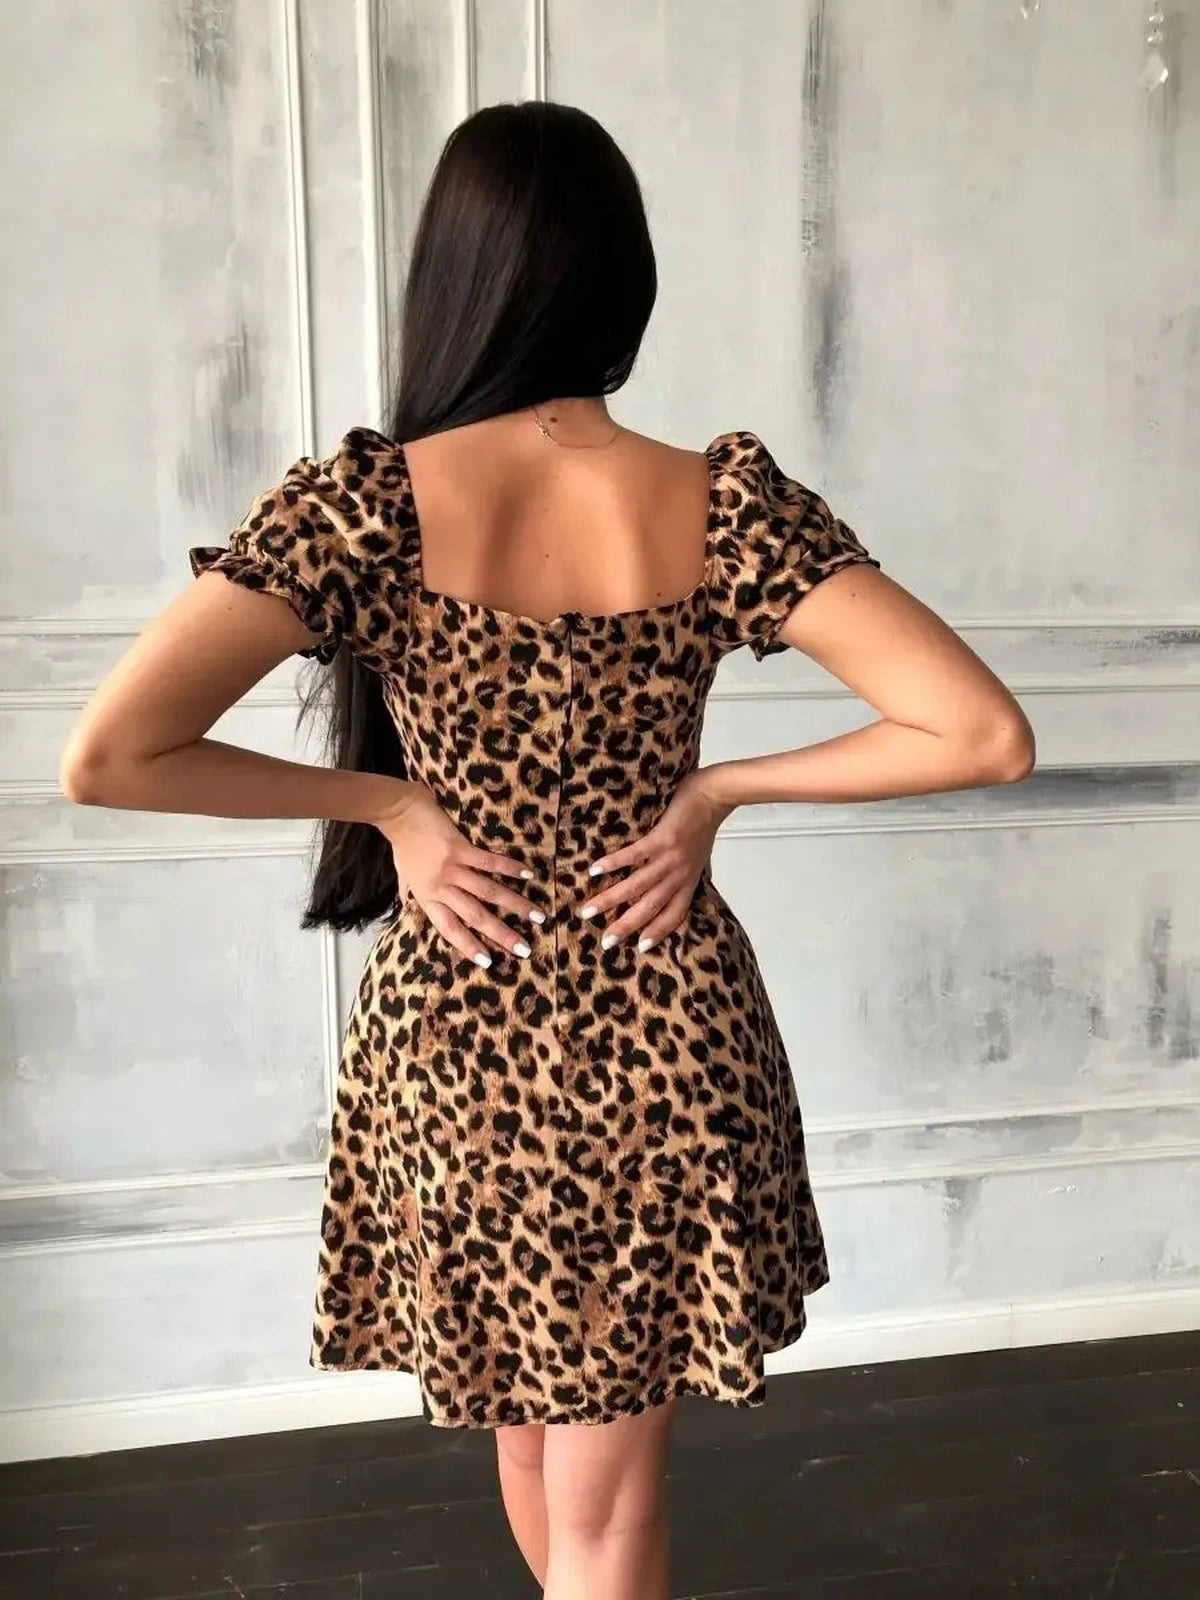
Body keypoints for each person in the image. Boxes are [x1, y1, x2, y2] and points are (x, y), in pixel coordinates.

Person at [59, 100, 1034, 1600]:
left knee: (540, 1465)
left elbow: (112, 754)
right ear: (623, 279)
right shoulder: (720, 504)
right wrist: (711, 792)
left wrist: (395, 808)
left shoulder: (368, 510)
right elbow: (981, 732)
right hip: (661, 1034)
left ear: (454, 280)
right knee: (596, 1504)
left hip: (463, 1036)